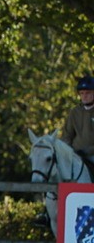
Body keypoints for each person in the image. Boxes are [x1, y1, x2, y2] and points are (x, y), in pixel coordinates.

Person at [34, 75, 94, 228]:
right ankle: (47, 213)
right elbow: (67, 134)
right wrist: (65, 150)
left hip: (92, 155)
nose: (84, 96)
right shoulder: (74, 112)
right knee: (54, 172)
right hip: (75, 154)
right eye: (81, 93)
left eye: (87, 93)